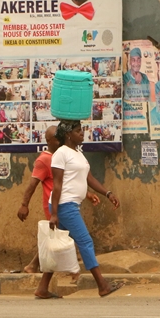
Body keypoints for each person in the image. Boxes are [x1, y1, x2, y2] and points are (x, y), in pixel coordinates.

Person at [34, 120, 123, 299]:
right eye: (78, 131)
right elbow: (57, 185)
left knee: (56, 247)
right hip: (64, 205)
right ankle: (102, 285)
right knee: (85, 241)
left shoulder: (78, 153)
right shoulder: (61, 154)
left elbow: (89, 178)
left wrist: (108, 193)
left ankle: (42, 288)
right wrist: (54, 214)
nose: (82, 134)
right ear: (68, 135)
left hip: (70, 205)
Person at [18, 125, 100, 274]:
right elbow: (33, 184)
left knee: (57, 239)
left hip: (65, 203)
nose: (61, 140)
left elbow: (71, 181)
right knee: (73, 239)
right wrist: (24, 204)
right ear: (49, 141)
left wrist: (87, 194)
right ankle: (79, 273)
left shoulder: (65, 155)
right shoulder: (44, 160)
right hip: (57, 205)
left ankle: (38, 272)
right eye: (57, 138)